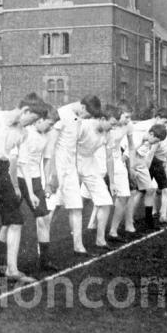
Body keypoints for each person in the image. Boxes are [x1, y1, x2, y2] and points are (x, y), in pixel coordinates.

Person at [0, 92, 47, 283]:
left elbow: (14, 160)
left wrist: (15, 185)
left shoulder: (22, 133)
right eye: (33, 119)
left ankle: (12, 269)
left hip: (2, 172)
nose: (32, 124)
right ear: (25, 110)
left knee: (16, 219)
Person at [49, 95, 103, 257]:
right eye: (87, 114)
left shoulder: (78, 118)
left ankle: (78, 247)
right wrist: (53, 174)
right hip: (57, 168)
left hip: (71, 168)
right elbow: (51, 146)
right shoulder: (61, 114)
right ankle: (41, 248)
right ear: (82, 107)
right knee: (53, 207)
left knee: (76, 207)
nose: (87, 118)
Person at [15, 105, 60, 271]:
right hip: (19, 179)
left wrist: (46, 182)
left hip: (34, 179)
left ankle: (44, 260)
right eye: (49, 123)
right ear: (39, 120)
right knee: (11, 221)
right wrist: (30, 189)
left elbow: (47, 159)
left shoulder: (46, 135)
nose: (51, 127)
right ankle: (2, 261)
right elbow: (23, 163)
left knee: (44, 218)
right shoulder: (26, 133)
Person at [123, 108, 167, 232]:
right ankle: (128, 221)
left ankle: (149, 220)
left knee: (149, 189)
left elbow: (147, 154)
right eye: (155, 140)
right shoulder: (140, 134)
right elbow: (129, 153)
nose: (156, 142)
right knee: (131, 192)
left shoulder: (155, 133)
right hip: (129, 158)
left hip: (140, 160)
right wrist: (130, 168)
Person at [78, 108, 117, 252]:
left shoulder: (108, 134)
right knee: (57, 203)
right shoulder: (84, 125)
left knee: (106, 201)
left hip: (90, 164)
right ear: (102, 118)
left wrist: (112, 182)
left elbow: (109, 157)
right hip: (72, 161)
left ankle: (100, 240)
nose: (112, 127)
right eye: (111, 123)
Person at [105, 102, 136, 242]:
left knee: (124, 196)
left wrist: (131, 166)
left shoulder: (128, 126)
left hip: (117, 161)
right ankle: (88, 226)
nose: (128, 120)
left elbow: (131, 145)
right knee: (86, 198)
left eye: (130, 117)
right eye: (126, 116)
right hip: (100, 160)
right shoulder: (108, 125)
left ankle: (113, 231)